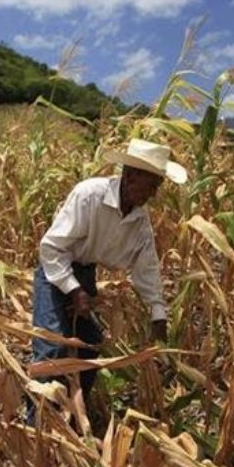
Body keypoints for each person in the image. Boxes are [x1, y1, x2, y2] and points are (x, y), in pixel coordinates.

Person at [28, 138, 187, 423]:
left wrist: (158, 314)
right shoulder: (89, 194)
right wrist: (73, 289)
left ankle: (75, 417)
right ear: (130, 176)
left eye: (157, 188)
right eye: (150, 186)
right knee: (51, 347)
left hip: (85, 271)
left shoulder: (139, 220)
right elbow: (51, 248)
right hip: (54, 270)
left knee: (91, 344)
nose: (152, 195)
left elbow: (146, 267)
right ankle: (35, 427)